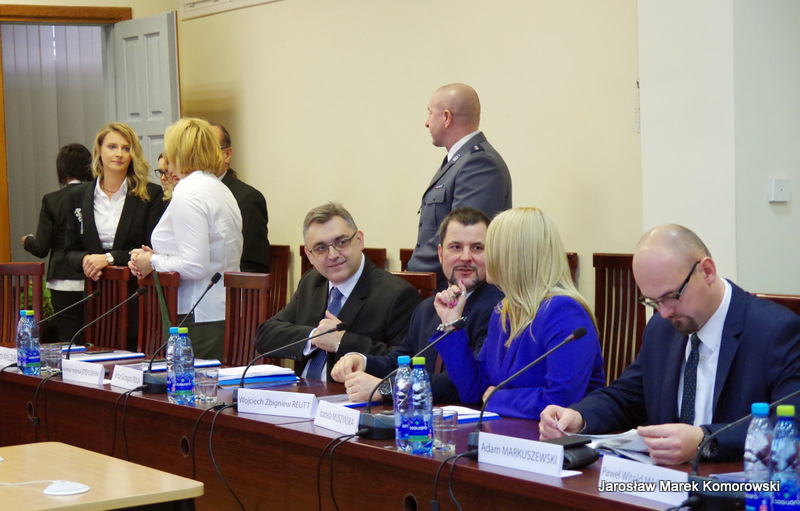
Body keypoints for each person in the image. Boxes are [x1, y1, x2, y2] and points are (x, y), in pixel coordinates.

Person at [540, 225, 800, 465]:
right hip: (665, 481)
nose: (664, 313)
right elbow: (627, 397)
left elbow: (791, 424)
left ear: (707, 271)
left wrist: (704, 440)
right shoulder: (662, 329)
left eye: (671, 297)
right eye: (653, 301)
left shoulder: (776, 331)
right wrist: (579, 417)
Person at [432, 207, 604, 419]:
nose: (485, 257)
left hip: (559, 437)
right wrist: (451, 324)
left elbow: (559, 402)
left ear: (514, 256)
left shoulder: (564, 313)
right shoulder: (503, 311)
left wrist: (497, 398)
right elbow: (474, 390)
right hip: (508, 431)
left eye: (490, 248)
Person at [331, 207, 504, 403]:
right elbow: (401, 361)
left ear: (491, 254)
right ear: (440, 254)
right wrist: (362, 361)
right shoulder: (427, 308)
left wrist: (388, 389)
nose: (465, 257)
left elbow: (463, 383)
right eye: (456, 247)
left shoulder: (499, 310)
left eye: (477, 248)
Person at [255, 202, 420, 381]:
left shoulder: (396, 294)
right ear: (309, 255)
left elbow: (405, 362)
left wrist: (341, 342)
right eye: (321, 248)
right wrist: (314, 337)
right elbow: (266, 335)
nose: (333, 255)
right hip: (300, 391)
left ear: (359, 240)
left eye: (341, 242)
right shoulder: (312, 281)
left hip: (350, 394)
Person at [129, 117, 243, 361]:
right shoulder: (219, 188)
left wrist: (152, 262)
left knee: (196, 383)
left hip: (198, 311)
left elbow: (195, 265)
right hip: (223, 308)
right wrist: (157, 256)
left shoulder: (188, 193)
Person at [407, 83, 512, 285]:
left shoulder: (478, 164)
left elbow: (462, 234)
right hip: (444, 288)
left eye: (430, 113)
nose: (426, 123)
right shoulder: (459, 161)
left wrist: (411, 274)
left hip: (463, 292)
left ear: (446, 117)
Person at [64, 122, 166, 281]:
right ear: (99, 150)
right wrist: (85, 260)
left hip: (137, 285)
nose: (119, 154)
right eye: (112, 147)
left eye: (126, 148)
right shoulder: (78, 195)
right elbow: (69, 251)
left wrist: (110, 258)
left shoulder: (150, 194)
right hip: (95, 286)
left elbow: (153, 248)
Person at [22, 144, 93, 342]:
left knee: (71, 341)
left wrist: (27, 241)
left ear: (61, 168)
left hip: (63, 279)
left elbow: (41, 248)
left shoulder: (52, 200)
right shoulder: (95, 196)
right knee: (99, 338)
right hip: (94, 276)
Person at [211, 123, 271, 273]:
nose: (201, 157)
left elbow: (254, 265)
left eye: (209, 149)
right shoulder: (190, 195)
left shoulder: (248, 198)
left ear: (227, 154)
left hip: (228, 284)